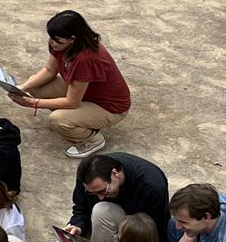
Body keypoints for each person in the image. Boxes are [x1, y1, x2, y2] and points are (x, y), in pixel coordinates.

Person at [8, 9, 133, 158]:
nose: (52, 43)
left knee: (58, 120)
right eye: (51, 38)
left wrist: (33, 103)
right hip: (85, 94)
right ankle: (76, 119)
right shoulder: (63, 45)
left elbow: (72, 102)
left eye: (57, 40)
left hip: (109, 107)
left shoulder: (85, 59)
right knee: (36, 84)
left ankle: (92, 139)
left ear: (72, 39)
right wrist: (23, 87)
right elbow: (49, 70)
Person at [58, 150, 173, 242]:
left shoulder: (151, 184)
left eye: (103, 191)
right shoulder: (88, 177)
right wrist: (78, 226)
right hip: (99, 229)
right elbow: (81, 207)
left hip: (134, 236)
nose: (100, 197)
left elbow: (156, 232)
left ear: (115, 174)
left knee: (101, 210)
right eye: (93, 193)